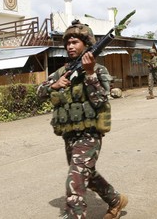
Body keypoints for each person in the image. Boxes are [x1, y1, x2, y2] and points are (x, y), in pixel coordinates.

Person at [37, 20, 127, 219]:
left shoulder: (97, 70)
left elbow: (101, 100)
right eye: (68, 43)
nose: (70, 46)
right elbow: (38, 92)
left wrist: (89, 74)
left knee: (74, 181)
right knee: (88, 175)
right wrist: (54, 85)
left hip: (90, 134)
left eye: (75, 42)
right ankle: (115, 200)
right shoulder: (63, 72)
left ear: (86, 45)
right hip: (70, 134)